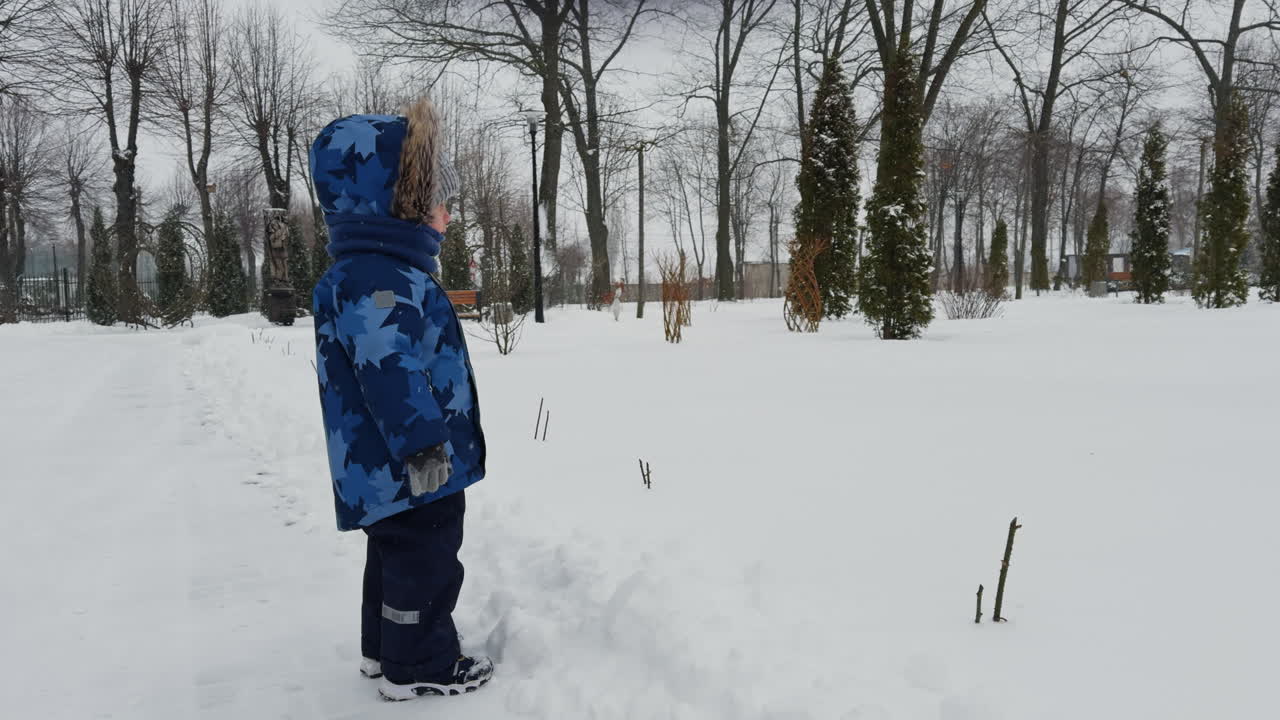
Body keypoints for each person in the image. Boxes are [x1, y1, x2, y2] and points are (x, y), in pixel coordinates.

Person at [308, 98, 492, 702]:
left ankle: (382, 648)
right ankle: (420, 664)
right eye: (434, 199)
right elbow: (388, 369)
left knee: (392, 555)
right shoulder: (378, 279)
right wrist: (423, 447)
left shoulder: (374, 271)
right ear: (396, 205)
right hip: (410, 464)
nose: (446, 211)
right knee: (427, 559)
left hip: (385, 469)